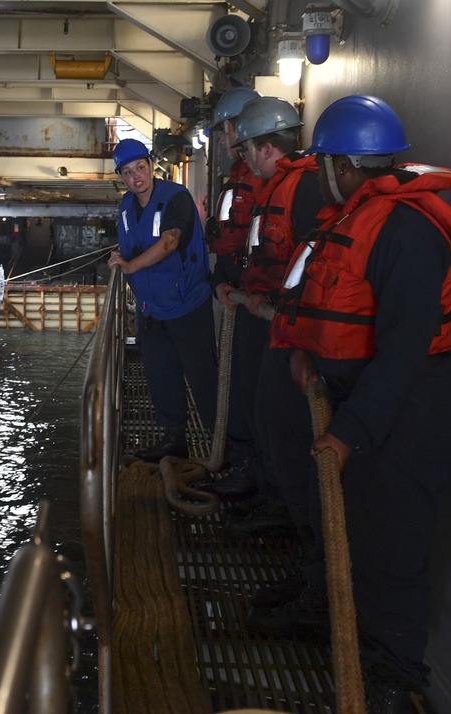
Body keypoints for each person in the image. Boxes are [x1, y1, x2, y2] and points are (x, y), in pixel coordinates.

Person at [271, 95, 451, 713]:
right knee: (355, 528)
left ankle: (391, 675)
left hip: (414, 410)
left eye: (328, 162)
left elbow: (405, 352)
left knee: (392, 546)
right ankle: (346, 632)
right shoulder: (358, 217)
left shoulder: (407, 234)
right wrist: (307, 357)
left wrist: (349, 430)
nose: (324, 174)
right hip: (366, 400)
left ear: (348, 165)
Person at [227, 97, 327, 629]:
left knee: (295, 451)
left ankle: (318, 588)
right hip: (276, 326)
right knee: (274, 435)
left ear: (268, 147)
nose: (245, 158)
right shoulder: (280, 188)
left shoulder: (304, 190)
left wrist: (300, 337)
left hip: (296, 341)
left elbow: (314, 269)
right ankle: (306, 567)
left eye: (248, 148)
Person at [106, 138, 218, 461]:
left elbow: (169, 242)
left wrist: (129, 265)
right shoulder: (127, 207)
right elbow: (132, 246)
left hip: (187, 306)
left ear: (151, 166)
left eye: (140, 167)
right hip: (152, 309)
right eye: (127, 172)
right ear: (122, 178)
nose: (135, 177)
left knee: (203, 378)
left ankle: (228, 445)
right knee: (161, 376)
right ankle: (174, 439)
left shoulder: (176, 198)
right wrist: (121, 257)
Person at [205, 86, 265, 499]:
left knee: (256, 392)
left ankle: (256, 477)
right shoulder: (243, 180)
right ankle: (246, 465)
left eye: (225, 130)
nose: (223, 139)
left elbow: (257, 241)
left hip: (256, 304)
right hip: (240, 295)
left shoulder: (262, 183)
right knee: (244, 387)